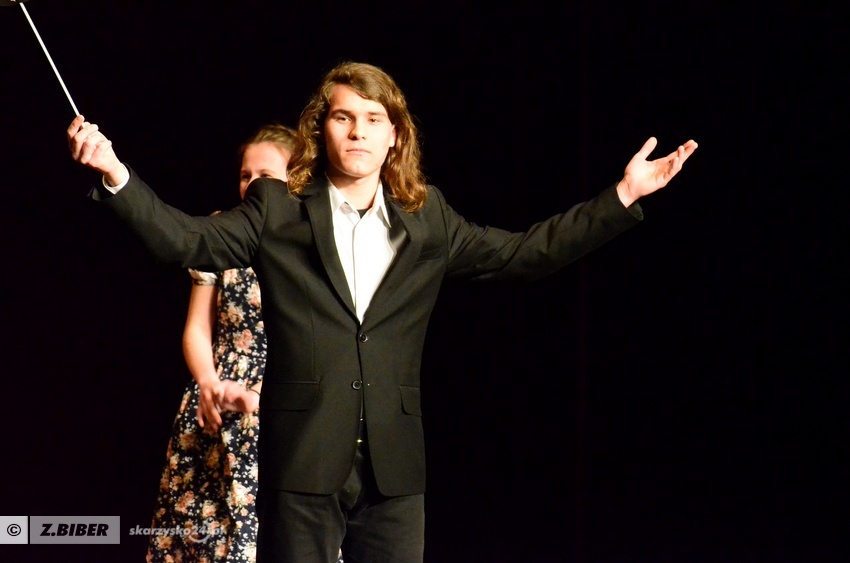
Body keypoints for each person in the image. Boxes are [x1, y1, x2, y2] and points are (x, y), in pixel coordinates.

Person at [67, 60, 698, 563]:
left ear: (395, 134)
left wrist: (622, 196)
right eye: (344, 118)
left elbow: (524, 254)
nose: (359, 132)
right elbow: (186, 240)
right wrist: (115, 171)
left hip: (394, 467)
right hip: (304, 458)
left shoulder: (427, 218)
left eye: (374, 119)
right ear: (321, 129)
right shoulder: (277, 208)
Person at [147, 124, 297, 563]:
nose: (253, 184)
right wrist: (209, 382)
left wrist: (261, 398)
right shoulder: (223, 233)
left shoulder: (312, 243)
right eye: (246, 175)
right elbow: (197, 328)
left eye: (266, 175)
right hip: (214, 408)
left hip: (284, 405)